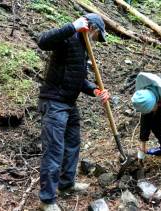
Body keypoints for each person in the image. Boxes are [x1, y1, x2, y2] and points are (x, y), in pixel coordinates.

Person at [37, 13, 109, 211]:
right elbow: (42, 41)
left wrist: (95, 90)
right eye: (96, 35)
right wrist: (72, 27)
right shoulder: (68, 36)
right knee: (54, 151)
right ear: (91, 27)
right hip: (53, 103)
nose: (95, 39)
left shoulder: (84, 48)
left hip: (69, 103)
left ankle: (66, 184)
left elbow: (80, 80)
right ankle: (47, 200)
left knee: (72, 143)